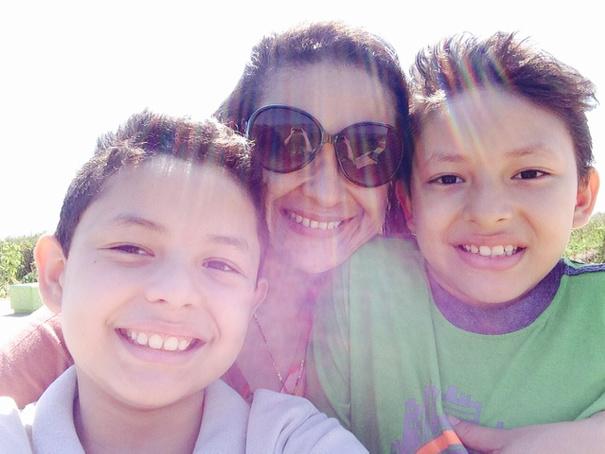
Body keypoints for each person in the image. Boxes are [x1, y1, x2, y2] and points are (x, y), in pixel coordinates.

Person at [0, 21, 412, 406]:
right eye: (285, 141)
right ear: (235, 145)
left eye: (369, 150)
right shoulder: (70, 344)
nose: (325, 191)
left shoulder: (416, 310)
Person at [0, 111, 367, 453]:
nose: (175, 292)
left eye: (220, 264)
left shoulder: (291, 439)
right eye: (131, 248)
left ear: (252, 302)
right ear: (56, 275)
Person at [308, 32, 605, 453]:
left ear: (581, 197)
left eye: (529, 174)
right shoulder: (363, 290)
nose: (487, 212)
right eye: (448, 178)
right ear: (409, 205)